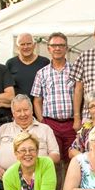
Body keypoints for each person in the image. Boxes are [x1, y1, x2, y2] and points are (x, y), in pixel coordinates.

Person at [31, 32, 75, 170]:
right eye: (54, 45)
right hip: (50, 124)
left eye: (61, 45)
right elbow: (37, 100)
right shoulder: (42, 73)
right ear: (49, 49)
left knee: (72, 160)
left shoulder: (76, 70)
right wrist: (42, 121)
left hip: (72, 123)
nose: (57, 48)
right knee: (52, 161)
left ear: (66, 48)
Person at [5, 33, 50, 106]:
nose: (26, 47)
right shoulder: (10, 63)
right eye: (22, 44)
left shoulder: (44, 62)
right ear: (17, 47)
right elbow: (7, 89)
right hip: (19, 109)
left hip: (41, 108)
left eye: (29, 44)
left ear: (34, 45)